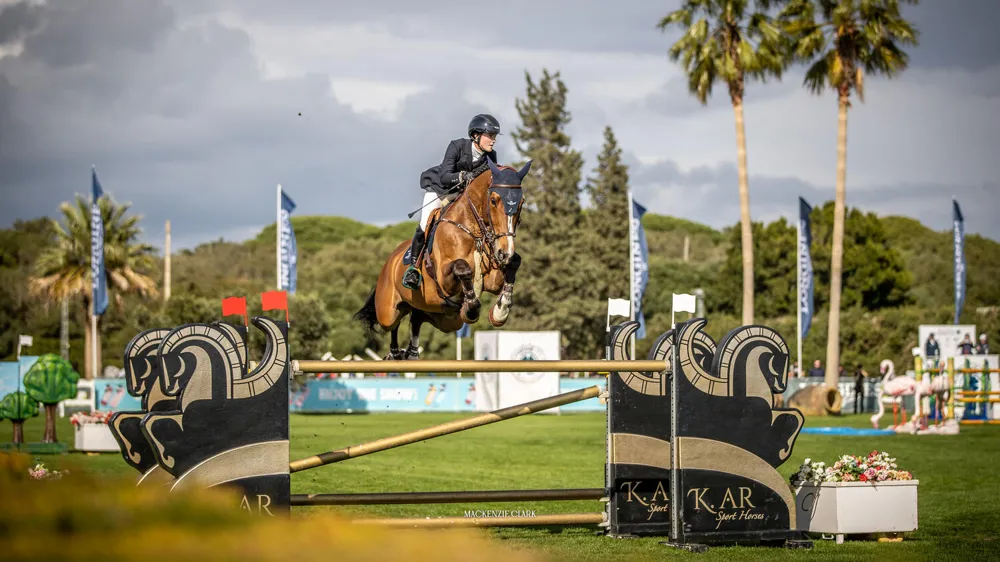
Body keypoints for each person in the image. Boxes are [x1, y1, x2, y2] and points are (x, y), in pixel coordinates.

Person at [402, 114, 500, 290]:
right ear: (476, 135)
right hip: (441, 190)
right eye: (490, 136)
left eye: (494, 136)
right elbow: (445, 176)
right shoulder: (457, 146)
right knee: (425, 224)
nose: (493, 140)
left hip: (464, 197)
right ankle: (413, 268)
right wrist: (462, 176)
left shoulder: (491, 156)